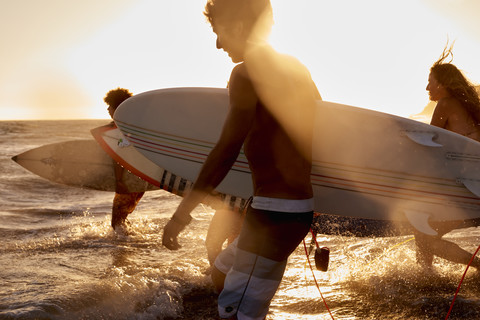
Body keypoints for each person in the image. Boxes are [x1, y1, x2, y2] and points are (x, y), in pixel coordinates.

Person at [162, 0, 321, 318]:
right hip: (281, 209)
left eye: (218, 32)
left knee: (237, 312)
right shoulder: (295, 67)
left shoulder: (246, 73)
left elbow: (226, 150)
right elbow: (313, 131)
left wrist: (181, 215)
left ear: (236, 26)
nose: (218, 43)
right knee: (221, 273)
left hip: (276, 214)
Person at [416, 44, 480, 270]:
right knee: (422, 229)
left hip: (466, 187)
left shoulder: (445, 104)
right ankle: (425, 274)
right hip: (472, 183)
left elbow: (428, 145)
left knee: (425, 234)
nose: (427, 87)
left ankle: (476, 267)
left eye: (430, 81)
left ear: (442, 84)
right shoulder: (468, 107)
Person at [103, 88, 145, 232]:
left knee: (116, 223)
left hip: (129, 181)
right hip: (140, 180)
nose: (108, 109)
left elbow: (120, 156)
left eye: (110, 106)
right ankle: (132, 243)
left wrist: (119, 181)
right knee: (122, 219)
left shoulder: (123, 129)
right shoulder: (135, 127)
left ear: (118, 108)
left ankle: (123, 250)